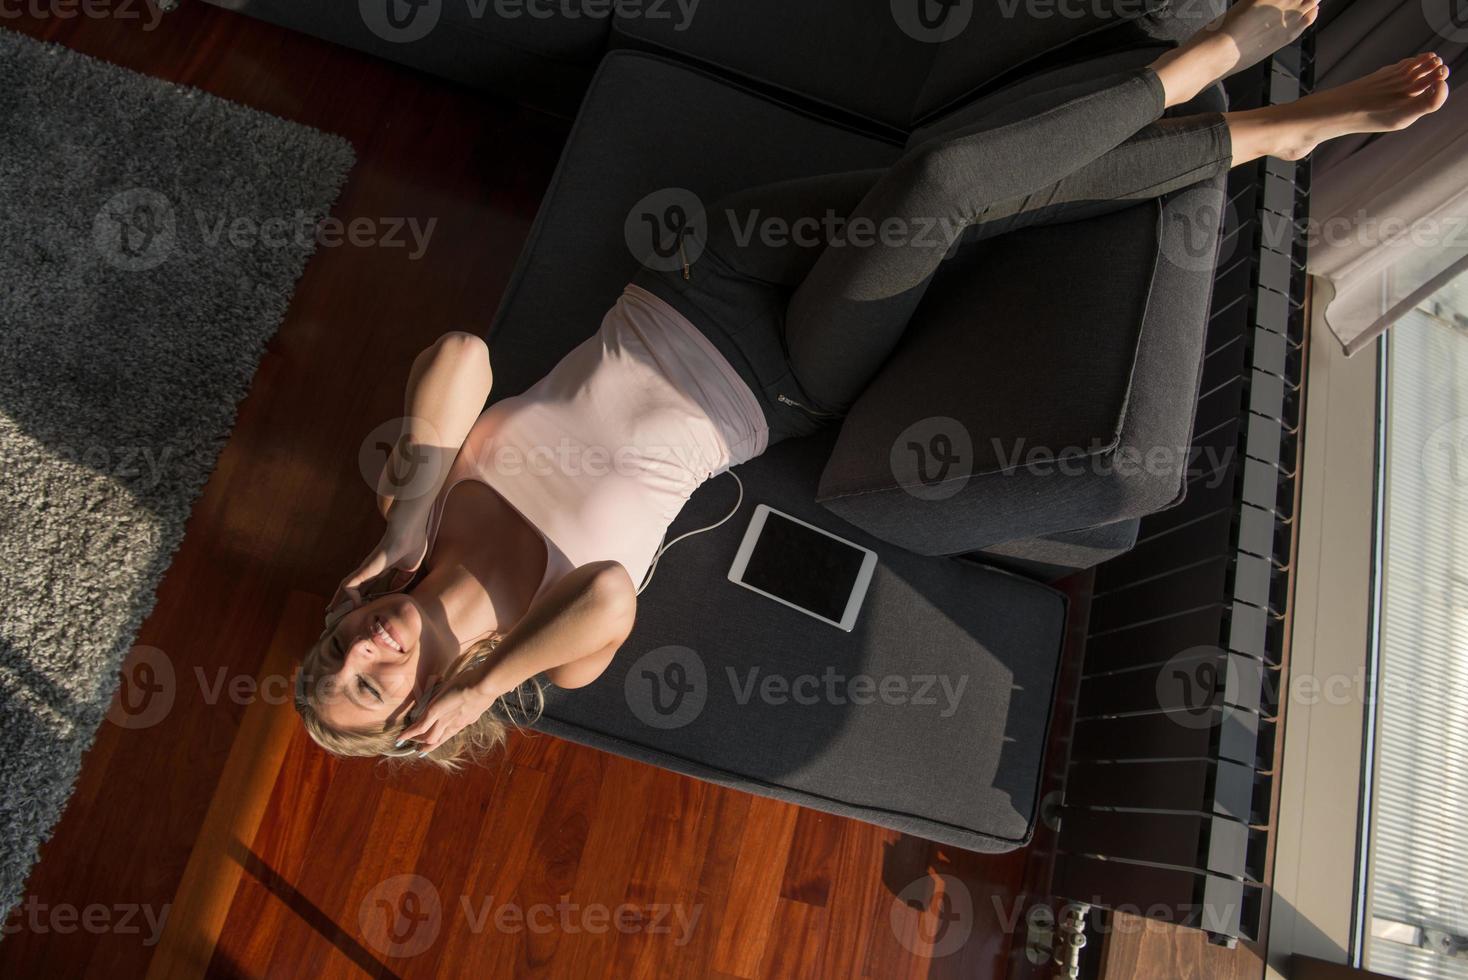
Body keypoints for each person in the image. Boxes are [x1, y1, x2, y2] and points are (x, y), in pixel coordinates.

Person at [295, 0, 1450, 767]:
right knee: (945, 182)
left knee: (972, 189)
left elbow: (460, 357)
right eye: (372, 683)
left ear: (344, 609)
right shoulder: (553, 643)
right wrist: (488, 679)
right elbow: (612, 600)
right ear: (416, 714)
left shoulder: (421, 511)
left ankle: (1263, 137)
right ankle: (1201, 73)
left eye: (339, 647)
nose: (368, 647)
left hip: (703, 266)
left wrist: (406, 512)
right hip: (786, 368)